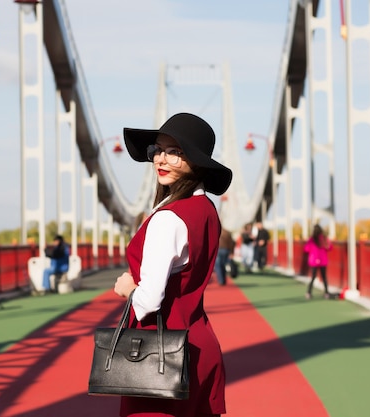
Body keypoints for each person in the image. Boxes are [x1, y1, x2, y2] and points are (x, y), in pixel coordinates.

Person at [113, 112, 232, 417]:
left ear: (196, 161)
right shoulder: (206, 210)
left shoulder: (167, 219)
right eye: (158, 150)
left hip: (159, 357)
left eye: (175, 152)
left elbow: (148, 301)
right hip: (198, 346)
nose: (161, 159)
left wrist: (128, 289)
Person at [304, 224, 333, 299]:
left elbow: (306, 249)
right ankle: (326, 293)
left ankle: (309, 292)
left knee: (313, 277)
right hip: (323, 260)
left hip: (314, 261)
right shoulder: (324, 238)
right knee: (324, 277)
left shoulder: (311, 239)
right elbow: (330, 247)